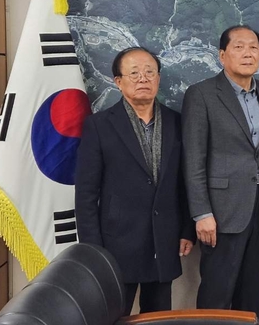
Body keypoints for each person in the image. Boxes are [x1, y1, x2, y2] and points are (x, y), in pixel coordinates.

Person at [75, 47, 194, 316]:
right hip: (117, 243)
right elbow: (86, 194)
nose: (143, 78)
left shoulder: (176, 122)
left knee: (158, 317)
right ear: (118, 81)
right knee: (113, 316)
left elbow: (183, 182)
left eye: (150, 72)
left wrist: (187, 229)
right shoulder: (99, 126)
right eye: (134, 73)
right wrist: (93, 249)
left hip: (164, 240)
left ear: (158, 78)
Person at [181, 25, 259, 318]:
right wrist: (201, 213)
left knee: (252, 294)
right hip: (221, 213)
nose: (247, 53)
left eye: (253, 47)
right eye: (239, 47)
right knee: (216, 293)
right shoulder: (201, 94)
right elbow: (193, 159)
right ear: (222, 55)